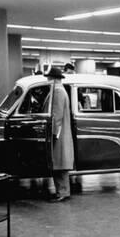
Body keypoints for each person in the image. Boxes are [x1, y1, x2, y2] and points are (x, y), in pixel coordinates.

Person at [45, 67, 74, 202]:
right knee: (59, 163)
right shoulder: (61, 91)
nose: (47, 80)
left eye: (49, 77)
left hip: (59, 134)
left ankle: (62, 192)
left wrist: (53, 134)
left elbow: (57, 115)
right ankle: (61, 191)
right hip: (62, 132)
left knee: (59, 164)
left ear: (54, 79)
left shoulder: (57, 92)